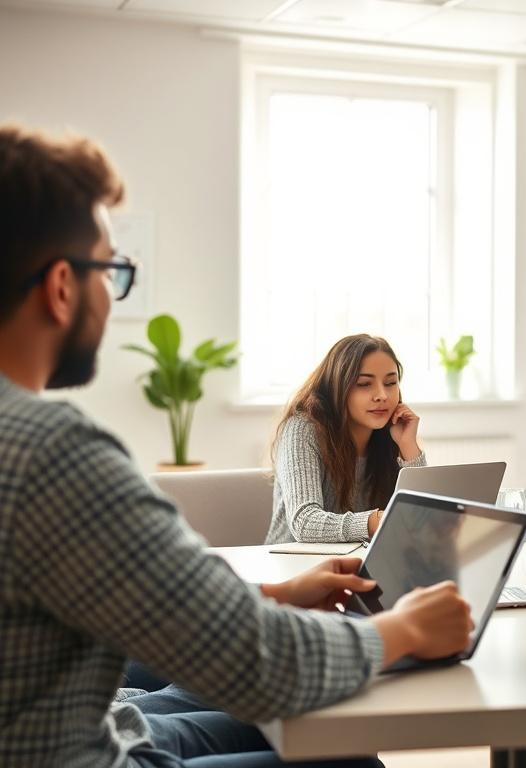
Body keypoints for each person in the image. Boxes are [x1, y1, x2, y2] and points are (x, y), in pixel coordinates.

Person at [0, 124, 473, 768]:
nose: (111, 299)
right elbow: (257, 664)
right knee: (345, 758)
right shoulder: (54, 454)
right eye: (113, 273)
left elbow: (165, 608)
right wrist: (406, 629)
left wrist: (278, 596)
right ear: (61, 286)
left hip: (90, 720)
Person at [265, 334, 425, 544]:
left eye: (390, 382)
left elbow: (422, 519)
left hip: (359, 564)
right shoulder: (302, 429)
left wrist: (408, 446)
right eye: (364, 384)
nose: (382, 395)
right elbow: (304, 522)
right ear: (336, 387)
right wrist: (377, 521)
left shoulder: (388, 435)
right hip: (293, 567)